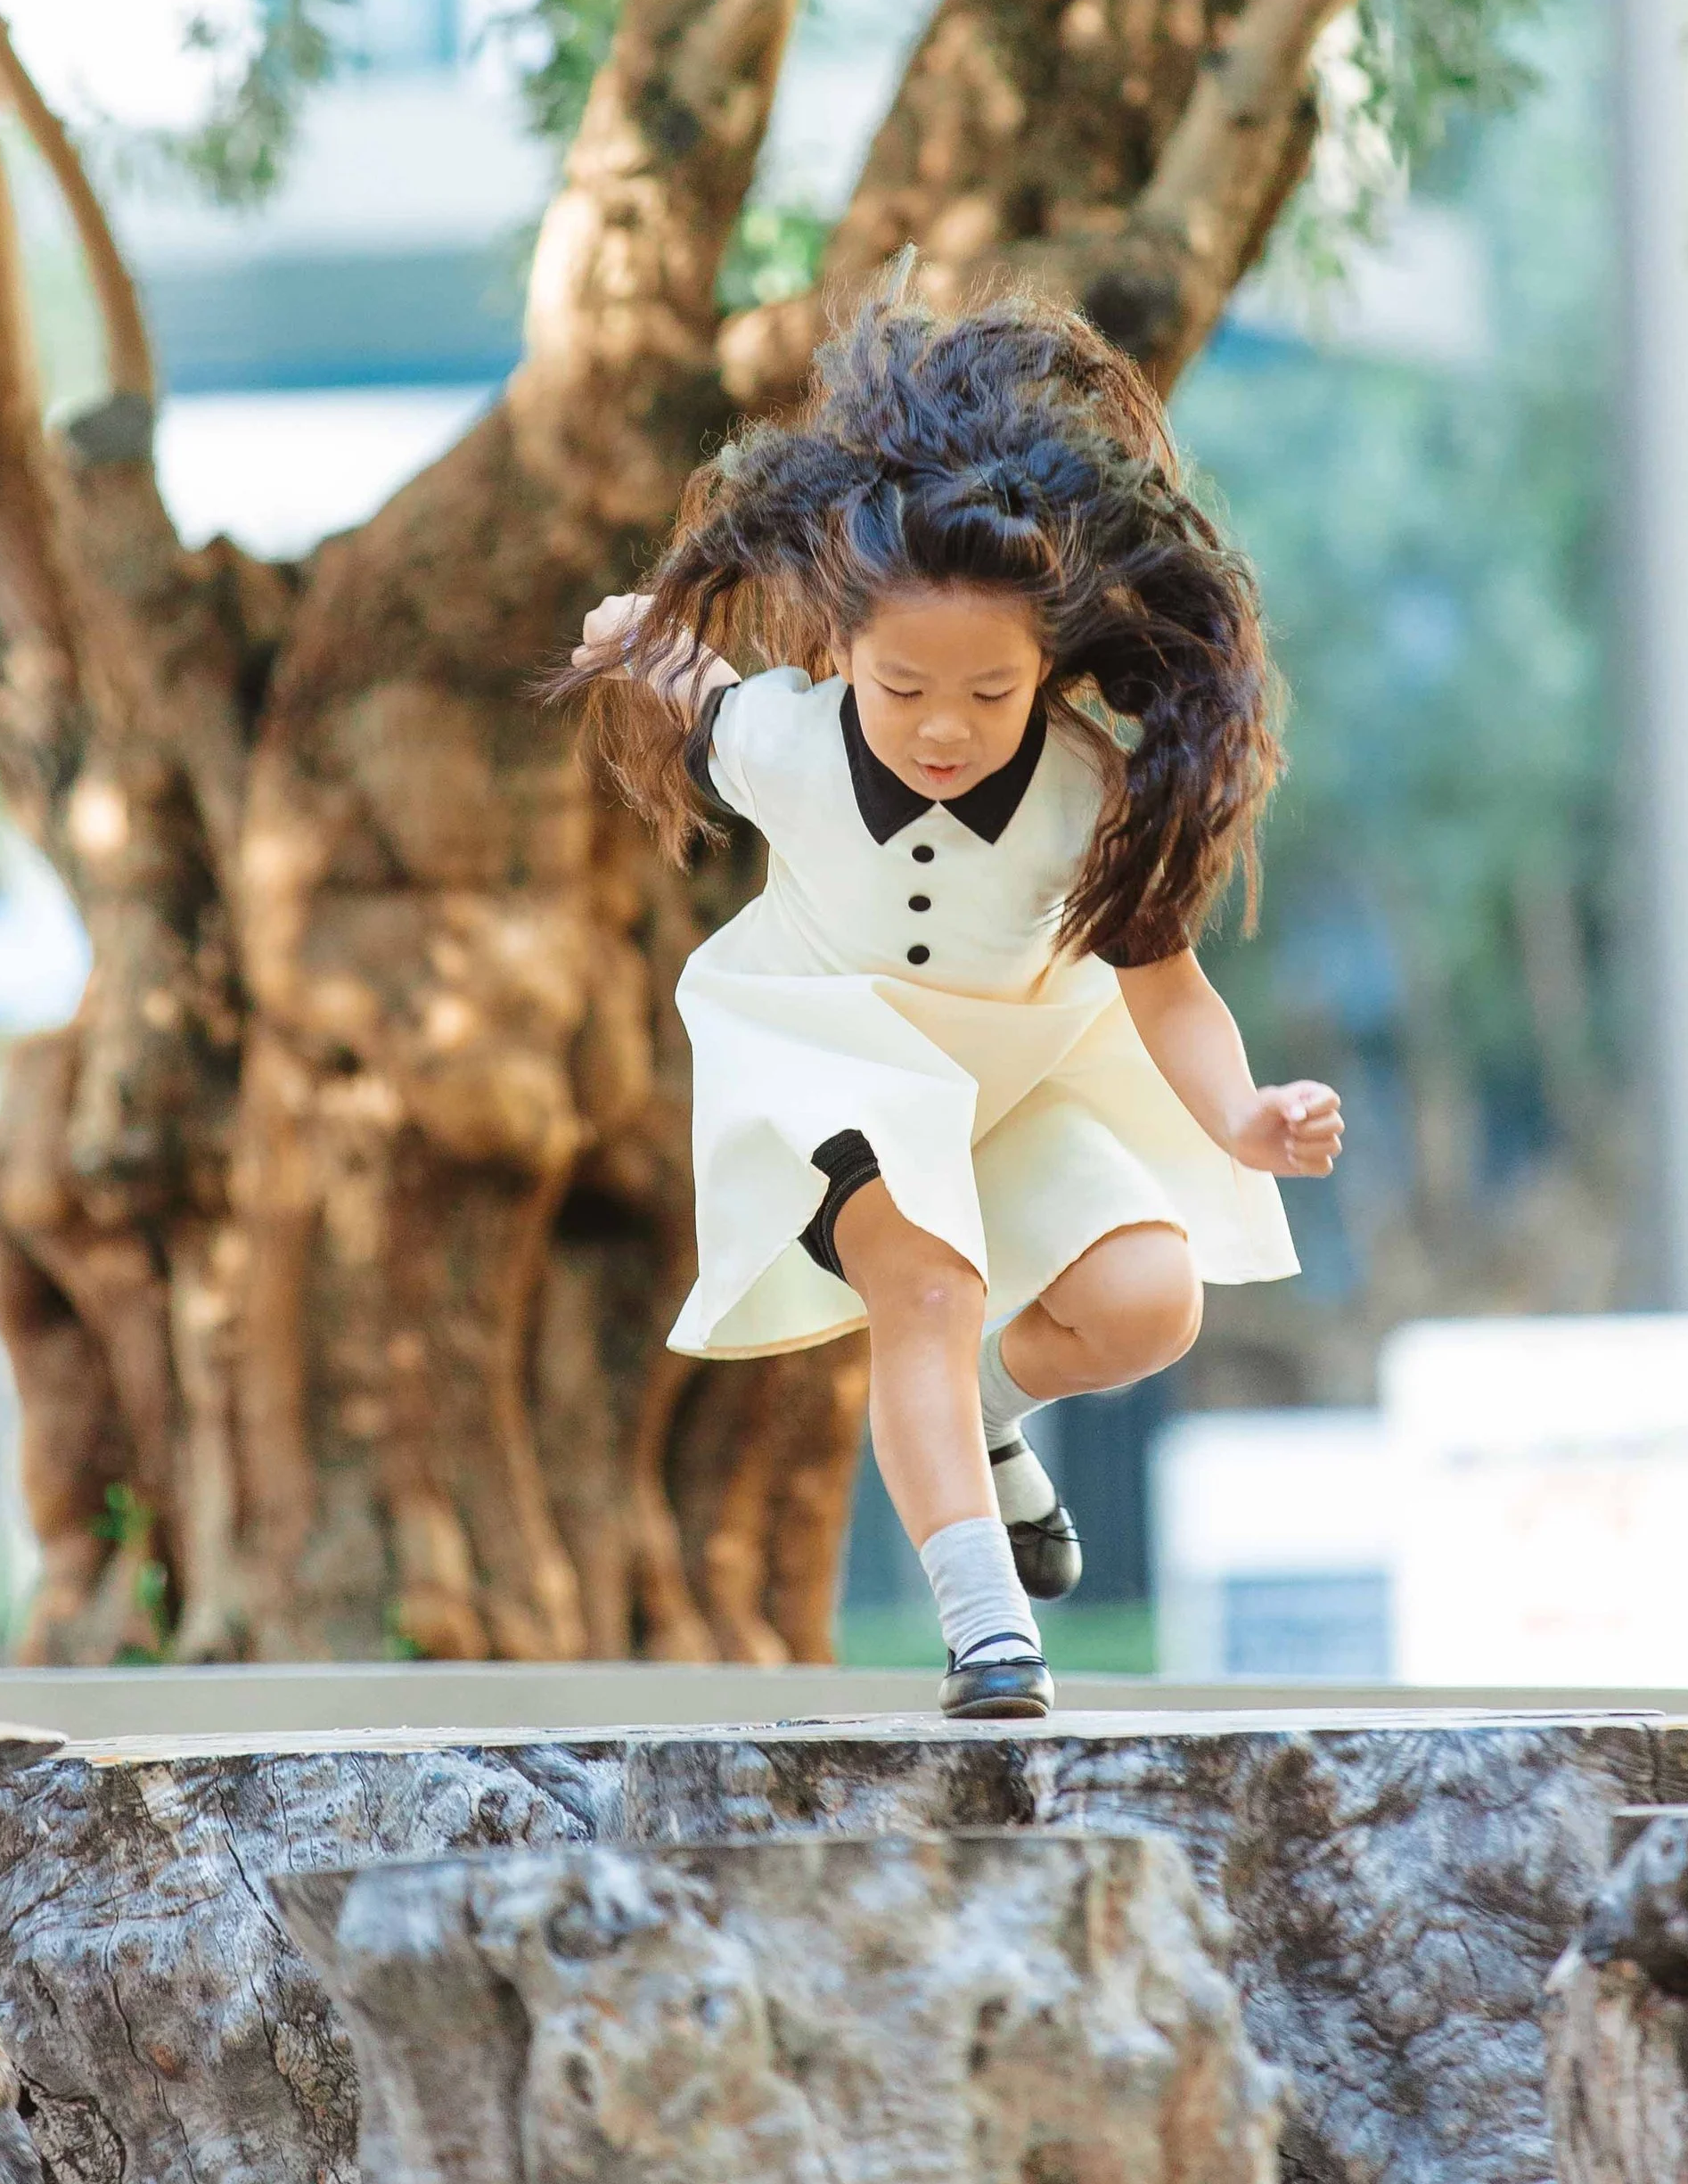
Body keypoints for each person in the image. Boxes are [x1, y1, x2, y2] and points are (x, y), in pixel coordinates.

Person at [558, 280, 1342, 1720]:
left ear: (1052, 666)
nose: (940, 725)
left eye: (989, 693)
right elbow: (702, 689)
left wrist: (1243, 1114)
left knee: (1145, 1299)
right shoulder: (792, 745)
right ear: (841, 649)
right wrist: (641, 634)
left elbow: (1169, 992)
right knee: (925, 1287)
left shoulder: (1091, 799)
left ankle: (985, 1418)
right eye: (903, 683)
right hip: (823, 1058)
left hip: (1011, 1076)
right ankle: (990, 1634)